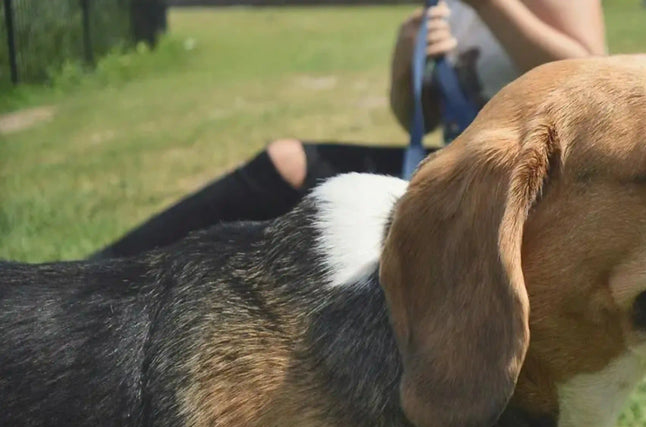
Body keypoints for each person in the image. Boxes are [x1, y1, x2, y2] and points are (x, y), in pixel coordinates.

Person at [91, 0, 605, 259]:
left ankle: (94, 280)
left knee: (294, 165)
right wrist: (404, 61)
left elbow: (592, 79)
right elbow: (416, 122)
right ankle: (99, 276)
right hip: (464, 170)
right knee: (287, 162)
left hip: (537, 189)